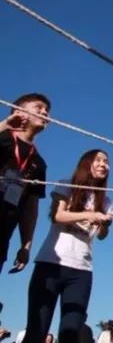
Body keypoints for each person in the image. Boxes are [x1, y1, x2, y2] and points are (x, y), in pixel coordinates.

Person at [23, 149, 113, 343]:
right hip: (50, 264)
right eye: (99, 160)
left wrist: (105, 225)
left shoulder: (106, 201)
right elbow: (57, 216)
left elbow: (101, 236)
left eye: (107, 162)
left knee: (71, 334)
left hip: (81, 271)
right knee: (36, 331)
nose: (104, 165)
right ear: (86, 163)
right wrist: (90, 215)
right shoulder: (66, 185)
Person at [0, 93, 51, 274]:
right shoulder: (3, 137)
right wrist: (5, 124)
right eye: (39, 107)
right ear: (19, 111)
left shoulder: (38, 162)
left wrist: (26, 245)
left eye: (47, 111)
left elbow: (31, 206)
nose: (45, 112)